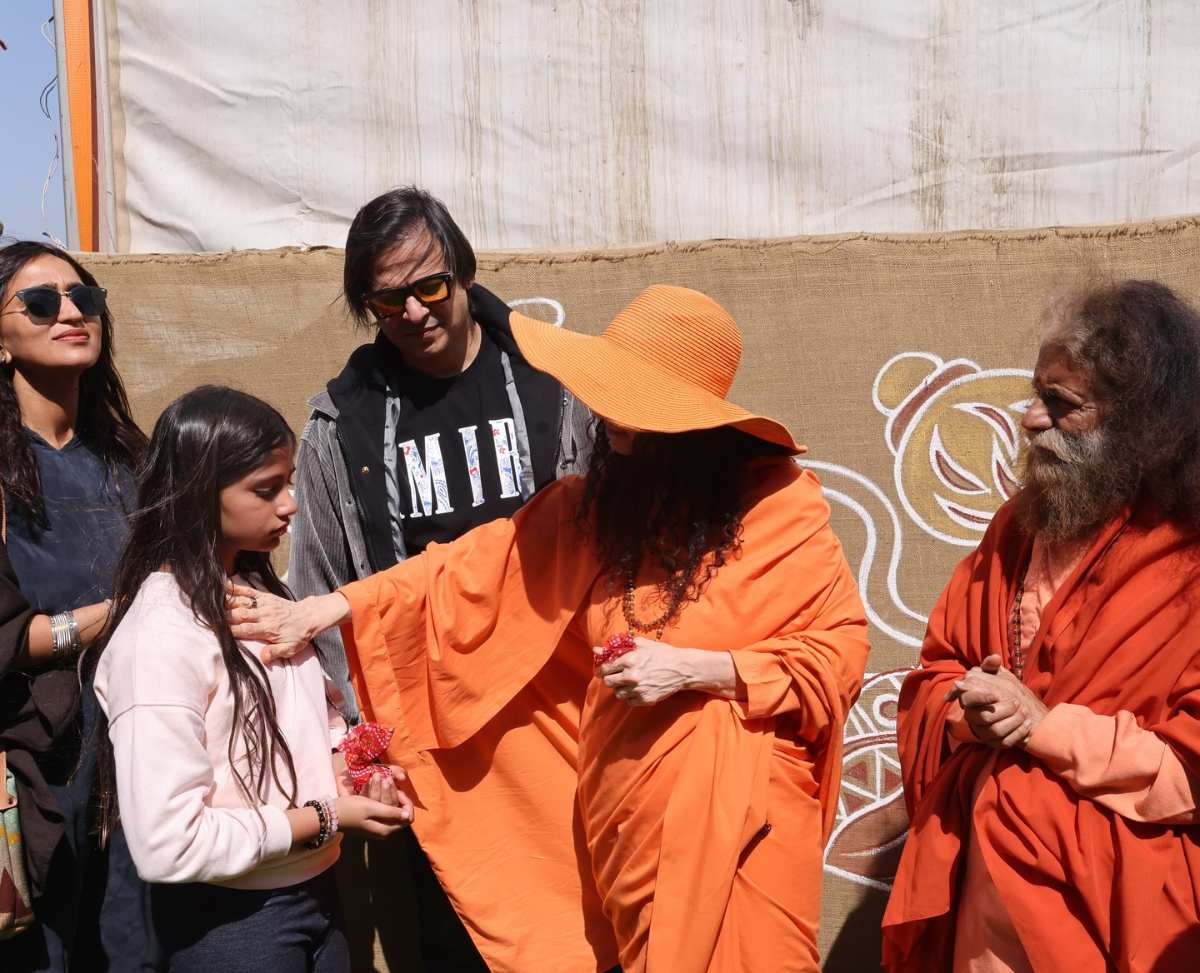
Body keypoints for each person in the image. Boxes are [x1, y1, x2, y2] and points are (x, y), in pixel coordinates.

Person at [231, 285, 871, 972]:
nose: (607, 419)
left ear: (689, 431)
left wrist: (695, 669)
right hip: (630, 823)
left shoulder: (783, 511)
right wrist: (328, 607)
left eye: (632, 408)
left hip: (749, 824)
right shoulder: (596, 507)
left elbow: (835, 658)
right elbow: (467, 570)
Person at [288, 185, 591, 969]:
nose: (416, 311)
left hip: (556, 714)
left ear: (462, 270)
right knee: (460, 939)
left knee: (588, 926)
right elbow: (322, 589)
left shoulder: (553, 382)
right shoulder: (341, 424)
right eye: (389, 301)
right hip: (435, 740)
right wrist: (364, 742)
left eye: (431, 286)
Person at [882, 281, 1200, 972]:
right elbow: (937, 673)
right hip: (983, 904)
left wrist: (1045, 727)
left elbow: (1190, 771)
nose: (1031, 420)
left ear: (1140, 425)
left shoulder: (1188, 560)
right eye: (1035, 396)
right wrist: (968, 714)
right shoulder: (1016, 528)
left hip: (1113, 910)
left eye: (1062, 404)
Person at [89, 386, 412, 973]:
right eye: (266, 490)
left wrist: (346, 770)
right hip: (230, 923)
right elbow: (168, 845)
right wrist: (327, 815)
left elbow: (305, 719)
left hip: (316, 892)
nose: (290, 505)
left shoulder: (259, 592)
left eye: (289, 482)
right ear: (197, 493)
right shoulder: (159, 637)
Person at [0, 241, 149, 972]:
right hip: (37, 775)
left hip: (139, 762)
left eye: (83, 297)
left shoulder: (131, 459)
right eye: (38, 302)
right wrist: (119, 613)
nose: (69, 312)